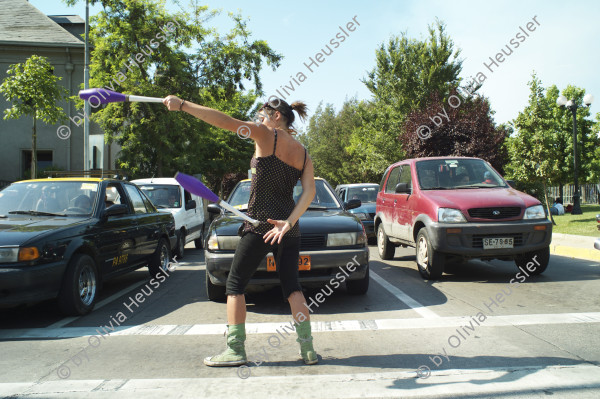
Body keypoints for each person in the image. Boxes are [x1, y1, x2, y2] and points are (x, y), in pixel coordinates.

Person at [164, 95, 318, 367]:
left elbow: (225, 122)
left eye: (262, 113)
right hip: (286, 229)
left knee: (235, 285)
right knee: (293, 287)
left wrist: (185, 106)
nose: (259, 118)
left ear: (276, 116)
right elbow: (310, 192)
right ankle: (308, 351)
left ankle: (235, 350)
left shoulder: (265, 134)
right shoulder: (303, 153)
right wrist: (289, 223)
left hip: (259, 224)